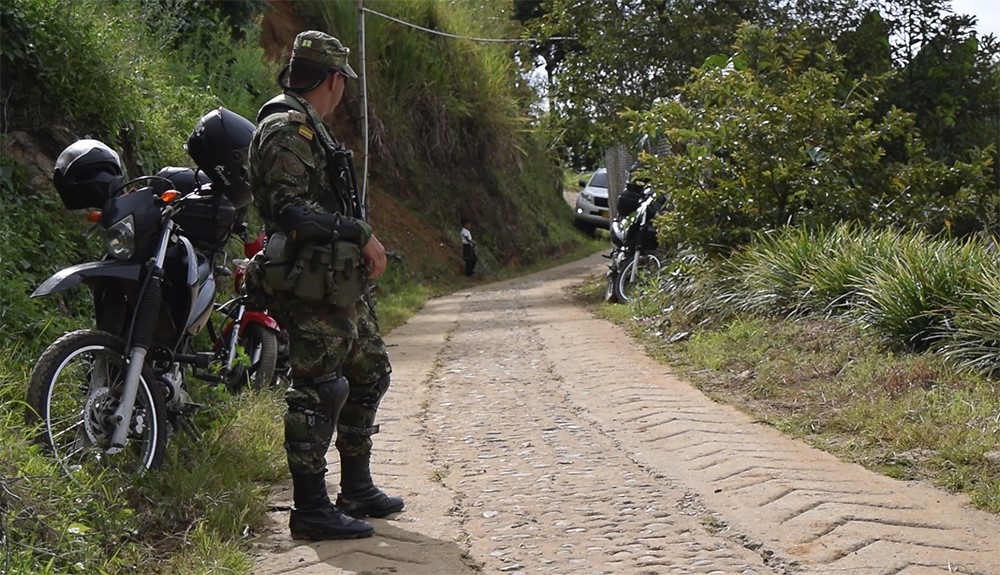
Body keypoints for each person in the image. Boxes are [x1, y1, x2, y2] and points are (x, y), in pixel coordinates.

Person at [248, 30, 403, 541]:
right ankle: (310, 509)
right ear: (333, 80)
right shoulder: (287, 128)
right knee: (317, 389)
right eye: (343, 82)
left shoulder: (309, 127)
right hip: (308, 280)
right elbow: (291, 212)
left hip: (336, 280)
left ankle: (355, 488)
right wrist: (359, 233)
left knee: (370, 371)